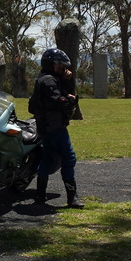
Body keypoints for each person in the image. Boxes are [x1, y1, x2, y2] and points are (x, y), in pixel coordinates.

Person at [28, 48, 83, 208]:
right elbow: (57, 100)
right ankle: (72, 197)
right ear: (52, 64)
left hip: (45, 126)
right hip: (54, 126)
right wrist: (70, 100)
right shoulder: (49, 81)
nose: (63, 69)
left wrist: (67, 81)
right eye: (60, 66)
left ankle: (40, 195)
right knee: (69, 158)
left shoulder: (45, 78)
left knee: (47, 158)